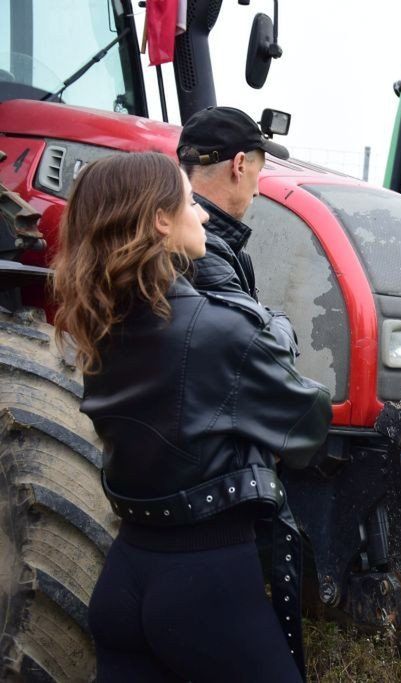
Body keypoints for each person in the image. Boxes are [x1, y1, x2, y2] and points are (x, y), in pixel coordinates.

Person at [51, 152, 332, 681]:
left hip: (124, 578)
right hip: (207, 587)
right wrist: (272, 327)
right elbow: (307, 427)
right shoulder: (219, 329)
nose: (202, 213)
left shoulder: (100, 327)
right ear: (161, 220)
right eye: (188, 202)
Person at [177, 105, 289, 300]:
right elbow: (252, 321)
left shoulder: (167, 235)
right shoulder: (202, 253)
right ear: (239, 166)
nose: (256, 191)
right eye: (258, 172)